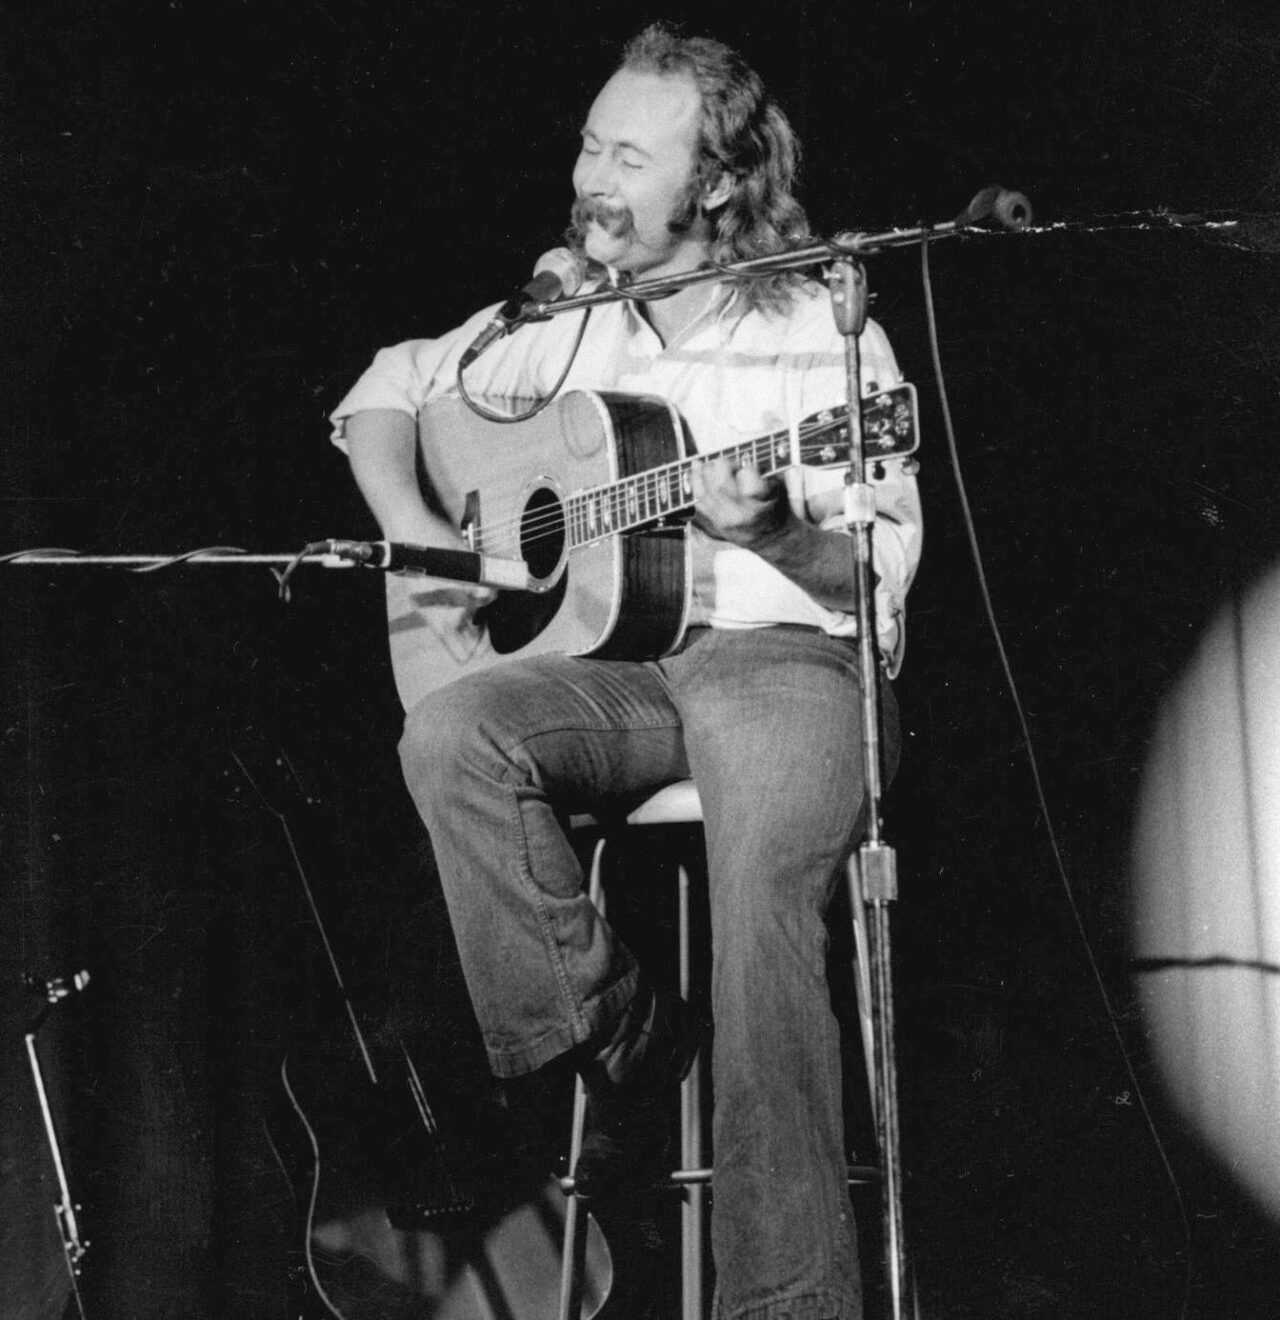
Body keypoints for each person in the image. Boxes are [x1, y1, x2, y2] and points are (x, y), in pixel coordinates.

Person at [329, 23, 922, 1320]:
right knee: (454, 737)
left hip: (789, 661)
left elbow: (869, 585)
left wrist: (771, 525)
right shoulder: (567, 321)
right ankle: (626, 1038)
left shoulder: (821, 331)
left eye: (627, 153)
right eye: (590, 142)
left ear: (714, 182)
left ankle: (789, 1304)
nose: (591, 173)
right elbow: (388, 386)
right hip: (632, 675)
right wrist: (419, 528)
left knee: (762, 913)